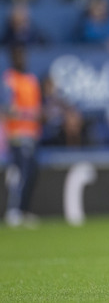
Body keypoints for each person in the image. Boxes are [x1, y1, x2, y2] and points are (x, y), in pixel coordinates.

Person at [1, 47, 42, 227]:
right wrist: (27, 114)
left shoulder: (31, 80)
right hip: (17, 134)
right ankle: (14, 211)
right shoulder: (10, 80)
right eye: (17, 56)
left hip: (32, 134)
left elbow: (38, 108)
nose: (21, 59)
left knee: (31, 172)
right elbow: (7, 108)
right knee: (21, 173)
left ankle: (23, 210)